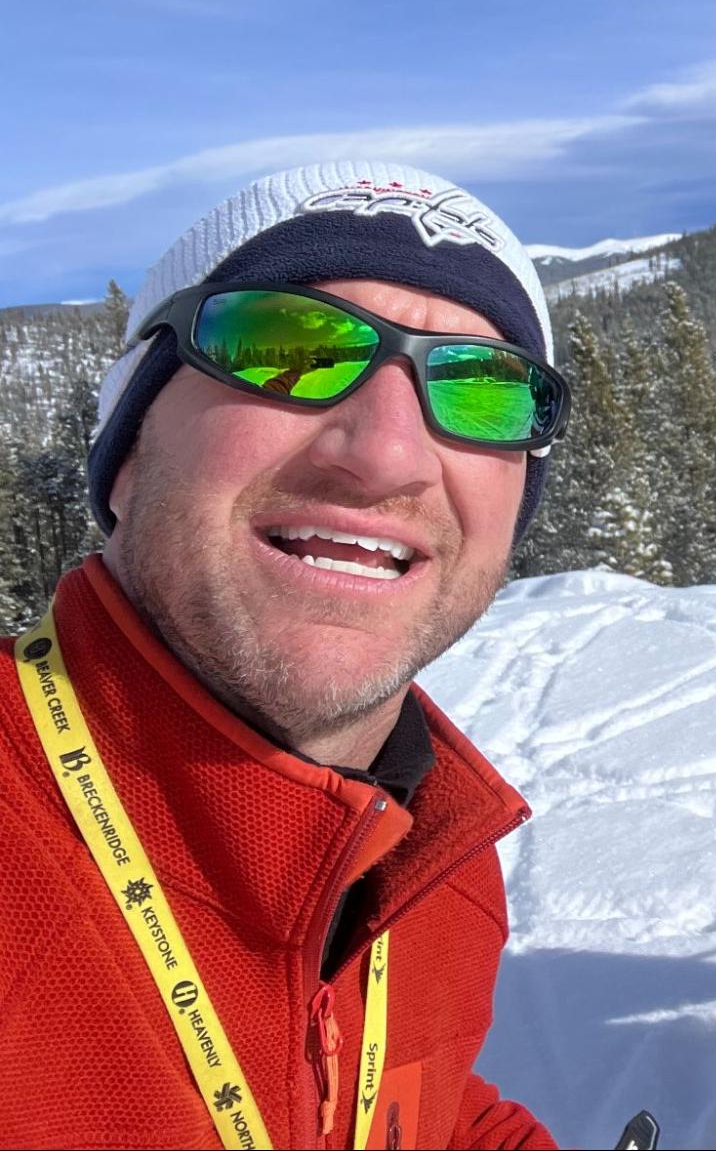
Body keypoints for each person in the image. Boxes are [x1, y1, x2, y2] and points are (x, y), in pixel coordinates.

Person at [1, 162, 567, 1148]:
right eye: (285, 346)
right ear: (126, 453)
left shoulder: (435, 861)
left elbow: (409, 1102)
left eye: (483, 388)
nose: (385, 454)